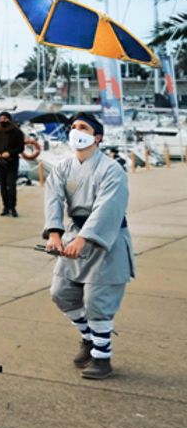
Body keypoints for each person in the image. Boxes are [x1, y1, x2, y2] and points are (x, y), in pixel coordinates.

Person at [43, 113, 133, 380]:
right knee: (61, 292)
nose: (76, 131)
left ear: (97, 137)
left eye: (83, 127)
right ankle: (89, 337)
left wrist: (85, 239)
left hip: (108, 240)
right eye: (73, 127)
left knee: (98, 301)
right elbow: (53, 198)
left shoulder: (112, 169)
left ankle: (102, 358)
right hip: (73, 233)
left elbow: (108, 208)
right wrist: (55, 234)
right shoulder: (63, 167)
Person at [0, 112, 26, 217]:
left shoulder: (17, 132)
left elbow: (21, 148)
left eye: (5, 118)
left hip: (12, 161)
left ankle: (13, 207)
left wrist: (9, 153)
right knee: (3, 185)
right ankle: (5, 206)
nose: (2, 120)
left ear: (9, 119)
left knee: (11, 184)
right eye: (0, 118)